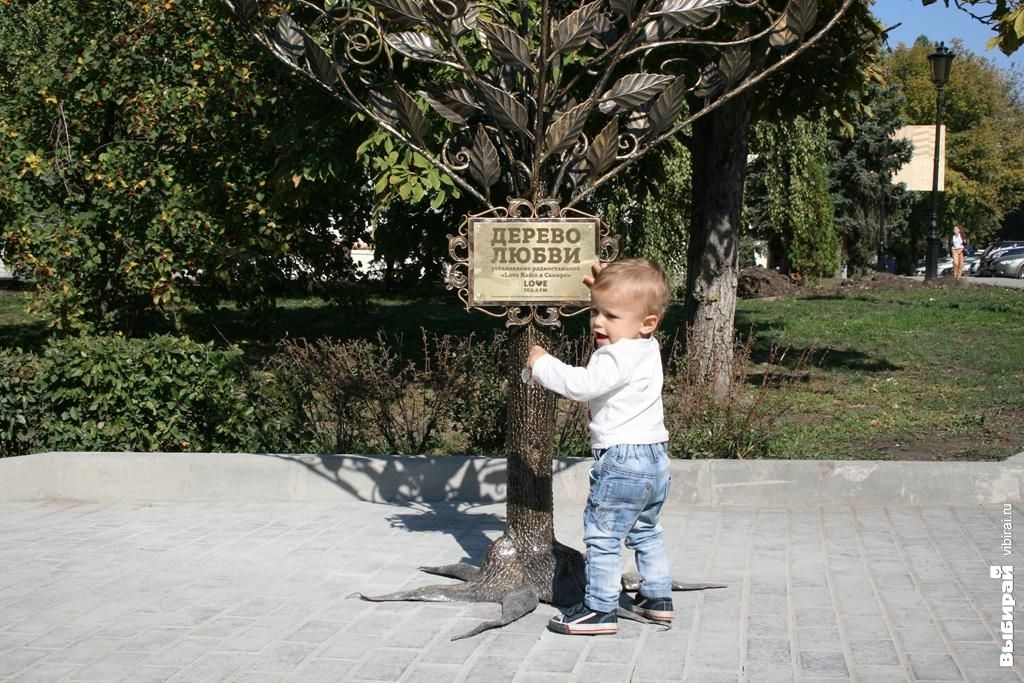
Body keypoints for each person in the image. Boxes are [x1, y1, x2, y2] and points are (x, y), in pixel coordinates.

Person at [524, 258, 673, 636]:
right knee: (645, 530)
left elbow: (581, 384)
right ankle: (657, 597)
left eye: (611, 315)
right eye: (595, 311)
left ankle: (600, 610)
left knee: (603, 536)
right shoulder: (647, 346)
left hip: (622, 460)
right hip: (655, 459)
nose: (598, 322)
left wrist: (542, 364)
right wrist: (611, 284)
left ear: (647, 323)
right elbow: (631, 303)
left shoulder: (616, 355)